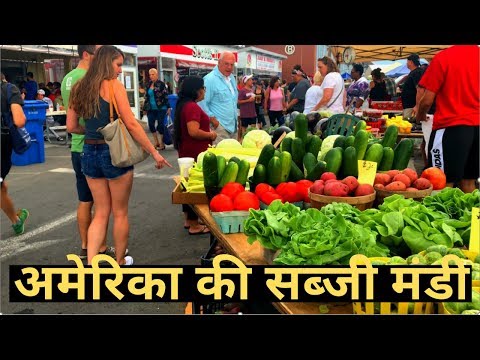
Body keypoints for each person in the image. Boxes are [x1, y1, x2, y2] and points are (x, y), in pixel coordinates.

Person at [67, 45, 172, 265]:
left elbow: (71, 126)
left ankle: (91, 264)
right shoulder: (113, 86)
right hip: (113, 152)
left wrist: (92, 131)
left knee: (101, 211)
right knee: (120, 212)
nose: (120, 70)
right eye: (118, 64)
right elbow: (132, 124)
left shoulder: (79, 87)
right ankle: (120, 261)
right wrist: (154, 151)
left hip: (88, 150)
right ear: (107, 63)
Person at [62, 44, 120, 260]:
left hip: (78, 148)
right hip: (96, 144)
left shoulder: (69, 79)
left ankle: (86, 246)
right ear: (87, 54)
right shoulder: (93, 79)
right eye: (98, 53)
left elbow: (70, 124)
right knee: (104, 205)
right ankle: (102, 247)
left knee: (85, 199)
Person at [415, 45, 479, 193]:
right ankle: (469, 215)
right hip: (477, 127)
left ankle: (440, 216)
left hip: (451, 126)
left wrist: (420, 117)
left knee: (441, 183)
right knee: (469, 182)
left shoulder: (444, 57)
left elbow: (426, 100)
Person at [173, 76, 216, 235]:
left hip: (187, 151)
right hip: (194, 153)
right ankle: (193, 224)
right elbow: (193, 131)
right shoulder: (191, 107)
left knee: (187, 186)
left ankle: (189, 219)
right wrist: (210, 135)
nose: (204, 90)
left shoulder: (185, 105)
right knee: (194, 188)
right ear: (196, 90)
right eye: (203, 88)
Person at [1, 73, 29, 235]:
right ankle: (16, 221)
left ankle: (16, 221)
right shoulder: (10, 89)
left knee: (1, 186)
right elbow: (19, 121)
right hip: (3, 144)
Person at [199, 52, 237, 144]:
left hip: (233, 127)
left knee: (232, 156)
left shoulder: (231, 78)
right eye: (226, 64)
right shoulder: (209, 79)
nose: (229, 67)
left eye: (232, 65)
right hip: (219, 128)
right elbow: (201, 102)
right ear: (219, 63)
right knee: (221, 156)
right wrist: (213, 120)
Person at [143, 68, 171, 150]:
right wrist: (144, 108)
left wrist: (168, 107)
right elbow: (146, 97)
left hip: (161, 107)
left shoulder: (161, 84)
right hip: (150, 108)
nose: (151, 76)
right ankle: (156, 142)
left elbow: (166, 96)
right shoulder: (148, 85)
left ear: (157, 75)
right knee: (151, 124)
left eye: (153, 74)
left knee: (160, 124)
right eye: (150, 75)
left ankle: (162, 142)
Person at [400, 53, 424, 119]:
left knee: (409, 126)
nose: (406, 63)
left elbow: (420, 90)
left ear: (411, 62)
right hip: (409, 105)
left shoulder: (417, 73)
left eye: (407, 61)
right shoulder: (414, 72)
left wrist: (417, 106)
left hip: (412, 106)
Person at [237, 75, 257, 139]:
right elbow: (239, 101)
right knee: (244, 130)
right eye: (250, 80)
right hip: (245, 114)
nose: (252, 81)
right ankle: (243, 142)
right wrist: (248, 100)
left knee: (253, 130)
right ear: (246, 81)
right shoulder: (242, 91)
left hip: (252, 113)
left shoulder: (251, 90)